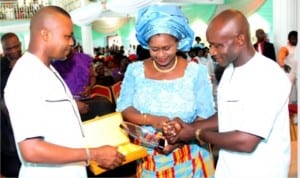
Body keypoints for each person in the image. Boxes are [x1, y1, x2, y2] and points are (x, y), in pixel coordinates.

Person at [163, 9, 291, 178]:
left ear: (240, 39)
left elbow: (246, 141)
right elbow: (227, 115)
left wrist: (196, 134)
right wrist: (188, 127)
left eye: (218, 45)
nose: (212, 52)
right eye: (211, 45)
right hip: (229, 169)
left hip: (260, 170)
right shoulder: (230, 70)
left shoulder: (267, 75)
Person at [4, 6, 125, 178]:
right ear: (45, 34)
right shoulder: (26, 76)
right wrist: (93, 154)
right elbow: (31, 150)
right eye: (67, 36)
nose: (71, 43)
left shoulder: (47, 70)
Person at [116, 4, 215, 178]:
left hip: (191, 158)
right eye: (154, 49)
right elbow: (124, 108)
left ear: (178, 42)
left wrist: (177, 140)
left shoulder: (196, 72)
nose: (161, 55)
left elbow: (206, 116)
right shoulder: (135, 70)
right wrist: (152, 120)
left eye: (167, 48)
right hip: (150, 158)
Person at [52, 44, 115, 121]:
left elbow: (92, 77)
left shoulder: (84, 58)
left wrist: (89, 87)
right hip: (66, 103)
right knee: (103, 106)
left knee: (106, 105)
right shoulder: (53, 63)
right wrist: (73, 103)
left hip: (85, 99)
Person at [0, 32, 22, 177]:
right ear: (3, 49)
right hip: (6, 126)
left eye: (16, 46)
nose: (13, 51)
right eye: (9, 49)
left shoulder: (30, 62)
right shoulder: (1, 65)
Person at [277, 30, 298, 104]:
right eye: (293, 38)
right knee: (288, 94)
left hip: (297, 73)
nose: (295, 40)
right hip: (288, 74)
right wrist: (283, 65)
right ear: (289, 39)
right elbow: (280, 59)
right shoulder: (285, 48)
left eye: (296, 38)